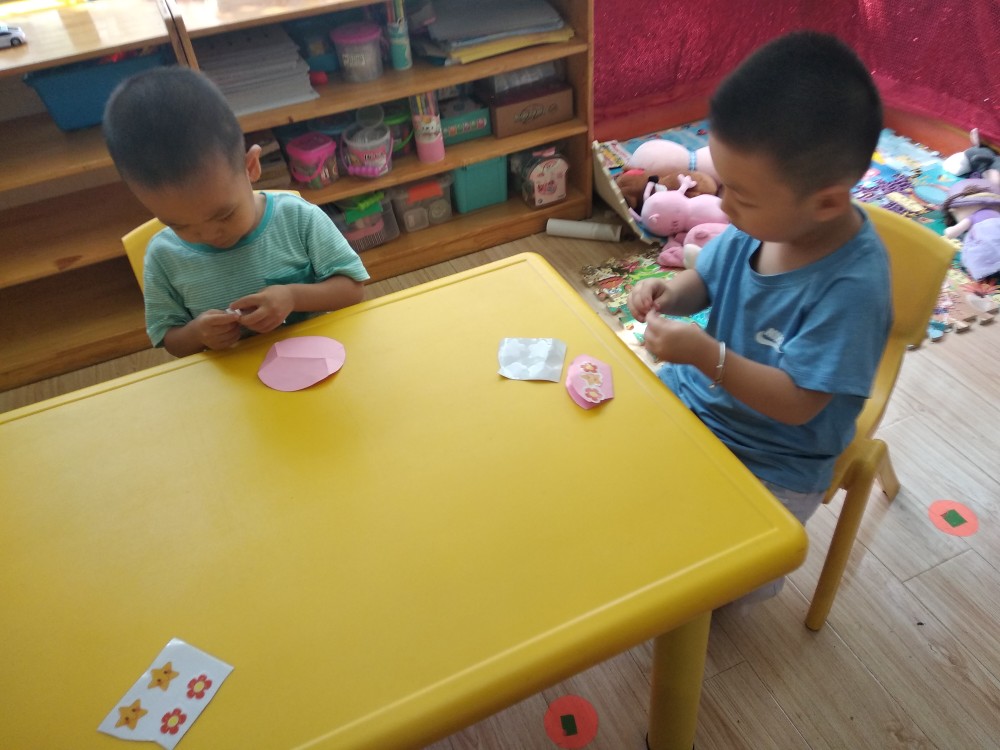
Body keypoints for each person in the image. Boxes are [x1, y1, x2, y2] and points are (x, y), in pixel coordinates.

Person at [628, 32, 891, 604]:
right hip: (694, 400)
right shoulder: (760, 222)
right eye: (724, 185)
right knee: (616, 487)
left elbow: (797, 404)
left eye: (741, 196)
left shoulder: (852, 288)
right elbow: (706, 280)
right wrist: (667, 293)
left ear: (826, 202)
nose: (724, 205)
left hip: (773, 460)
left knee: (707, 584)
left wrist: (705, 355)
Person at [103, 67, 369, 357]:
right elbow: (171, 340)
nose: (208, 234)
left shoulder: (298, 218)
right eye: (180, 226)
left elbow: (353, 289)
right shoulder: (162, 257)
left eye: (224, 215)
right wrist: (197, 333)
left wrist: (293, 297)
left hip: (316, 358)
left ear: (251, 167)